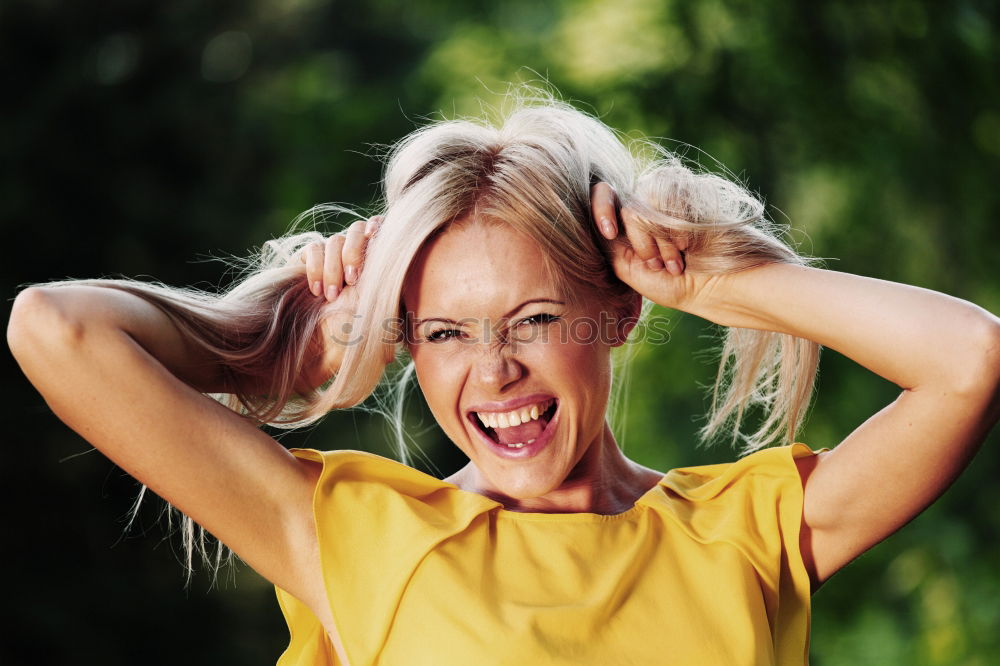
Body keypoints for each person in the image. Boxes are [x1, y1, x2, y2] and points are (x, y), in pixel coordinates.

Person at [8, 88, 999, 665]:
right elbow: (52, 329)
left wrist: (726, 277)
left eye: (533, 319)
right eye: (443, 333)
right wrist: (263, 343)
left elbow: (967, 360)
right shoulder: (346, 535)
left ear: (619, 312)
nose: (493, 372)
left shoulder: (748, 532)